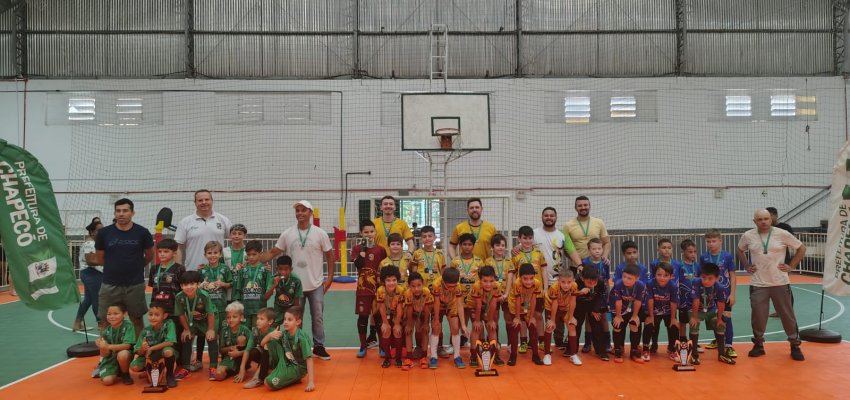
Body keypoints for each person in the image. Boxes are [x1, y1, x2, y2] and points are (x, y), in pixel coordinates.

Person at [261, 200, 335, 361]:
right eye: (298, 210)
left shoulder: (320, 233)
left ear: (310, 213)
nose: (300, 213)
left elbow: (330, 256)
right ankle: (297, 346)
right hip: (293, 287)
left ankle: (319, 346)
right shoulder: (287, 234)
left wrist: (329, 279)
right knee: (294, 318)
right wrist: (254, 258)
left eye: (303, 210)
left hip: (315, 284)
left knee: (317, 317)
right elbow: (273, 252)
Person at [737, 208, 806, 361]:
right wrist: (747, 265)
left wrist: (792, 266)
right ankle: (759, 345)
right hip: (758, 283)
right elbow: (740, 249)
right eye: (760, 219)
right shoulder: (748, 235)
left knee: (787, 316)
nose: (764, 222)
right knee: (758, 317)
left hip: (780, 282)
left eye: (766, 218)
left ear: (771, 219)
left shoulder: (782, 234)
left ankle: (795, 345)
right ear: (754, 221)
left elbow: (801, 248)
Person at [96, 198, 154, 337]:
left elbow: (149, 255)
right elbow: (100, 258)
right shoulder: (104, 233)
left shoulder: (142, 232)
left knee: (137, 319)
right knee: (105, 320)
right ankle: (107, 354)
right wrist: (114, 267)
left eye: (125, 210)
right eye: (118, 211)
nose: (121, 214)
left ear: (132, 213)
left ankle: (138, 352)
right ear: (115, 213)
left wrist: (137, 267)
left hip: (135, 285)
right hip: (110, 284)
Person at [688, 263, 735, 365]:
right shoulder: (696, 282)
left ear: (717, 278)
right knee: (694, 324)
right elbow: (695, 300)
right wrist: (695, 317)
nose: (706, 281)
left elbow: (721, 303)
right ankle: (694, 354)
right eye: (704, 278)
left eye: (710, 278)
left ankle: (721, 354)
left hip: (711, 310)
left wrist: (719, 319)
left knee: (720, 325)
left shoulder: (720, 287)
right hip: (696, 310)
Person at [174, 271, 218, 380]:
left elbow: (211, 313)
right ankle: (185, 368)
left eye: (192, 284)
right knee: (186, 338)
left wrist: (211, 329)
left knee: (211, 338)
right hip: (193, 320)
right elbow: (180, 314)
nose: (188, 287)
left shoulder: (204, 295)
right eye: (185, 285)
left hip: (208, 319)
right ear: (181, 286)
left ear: (198, 284)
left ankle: (213, 367)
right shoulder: (179, 297)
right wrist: (186, 329)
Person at [701, 229, 738, 358]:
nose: (711, 244)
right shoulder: (704, 257)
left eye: (714, 241)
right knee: (714, 318)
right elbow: (702, 276)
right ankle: (718, 340)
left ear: (720, 241)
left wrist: (732, 294)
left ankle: (728, 345)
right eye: (708, 241)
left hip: (725, 293)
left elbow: (732, 275)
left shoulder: (726, 256)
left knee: (726, 318)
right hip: (711, 295)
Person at [351, 220, 386, 358]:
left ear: (375, 232)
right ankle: (363, 346)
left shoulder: (381, 250)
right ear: (361, 233)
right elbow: (358, 264)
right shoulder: (357, 249)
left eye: (371, 231)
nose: (369, 234)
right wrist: (364, 250)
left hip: (377, 290)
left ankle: (382, 346)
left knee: (378, 318)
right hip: (363, 290)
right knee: (363, 317)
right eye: (366, 232)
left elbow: (384, 268)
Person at [510, 226, 547, 354]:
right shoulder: (516, 255)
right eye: (524, 238)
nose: (527, 241)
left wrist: (545, 288)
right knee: (523, 316)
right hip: (523, 293)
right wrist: (516, 287)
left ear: (533, 239)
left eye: (530, 238)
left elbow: (543, 270)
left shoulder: (538, 253)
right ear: (519, 238)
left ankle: (541, 340)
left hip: (537, 291)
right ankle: (524, 341)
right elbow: (514, 273)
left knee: (537, 315)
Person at [175, 190, 232, 271]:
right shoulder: (185, 222)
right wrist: (178, 269)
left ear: (212, 201)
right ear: (195, 202)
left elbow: (235, 241)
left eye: (207, 199)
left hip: (219, 273)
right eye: (200, 200)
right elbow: (178, 247)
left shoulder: (223, 220)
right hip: (193, 272)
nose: (204, 202)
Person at [264, 306, 317, 392]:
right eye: (285, 319)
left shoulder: (301, 338)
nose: (285, 322)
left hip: (298, 368)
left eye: (289, 320)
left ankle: (293, 377)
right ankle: (277, 370)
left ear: (298, 322)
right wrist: (270, 335)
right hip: (287, 361)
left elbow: (309, 358)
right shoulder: (285, 333)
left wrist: (311, 382)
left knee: (268, 383)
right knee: (271, 342)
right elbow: (263, 343)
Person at [128, 302, 178, 388]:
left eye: (157, 315)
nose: (153, 317)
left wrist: (151, 348)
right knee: (134, 367)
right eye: (150, 314)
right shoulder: (145, 331)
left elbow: (170, 342)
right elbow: (138, 352)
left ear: (164, 316)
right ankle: (151, 370)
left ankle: (169, 375)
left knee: (168, 352)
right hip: (150, 356)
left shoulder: (169, 323)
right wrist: (143, 349)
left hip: (163, 353)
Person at [428, 267, 468, 369]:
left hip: (451, 305)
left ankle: (457, 356)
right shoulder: (436, 284)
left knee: (455, 327)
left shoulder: (457, 286)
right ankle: (433, 357)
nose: (452, 289)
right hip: (439, 306)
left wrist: (463, 325)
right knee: (436, 328)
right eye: (449, 286)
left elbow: (459, 305)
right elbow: (436, 303)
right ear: (443, 282)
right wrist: (436, 319)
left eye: (454, 286)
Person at [531, 207, 582, 286]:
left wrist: (579, 264)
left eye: (552, 216)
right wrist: (516, 248)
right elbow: (523, 246)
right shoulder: (534, 233)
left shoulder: (562, 235)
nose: (549, 217)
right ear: (541, 217)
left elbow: (571, 251)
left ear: (556, 217)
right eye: (546, 215)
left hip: (556, 279)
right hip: (537, 277)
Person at [642, 262, 680, 362]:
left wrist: (673, 319)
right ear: (655, 274)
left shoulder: (673, 286)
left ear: (671, 276)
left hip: (668, 311)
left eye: (666, 275)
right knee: (650, 325)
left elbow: (673, 302)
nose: (662, 278)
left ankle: (672, 349)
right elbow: (650, 300)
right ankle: (646, 349)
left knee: (674, 326)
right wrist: (651, 316)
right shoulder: (650, 283)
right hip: (654, 310)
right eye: (659, 275)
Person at [507, 263, 544, 366]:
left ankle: (535, 355)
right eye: (525, 279)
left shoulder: (537, 283)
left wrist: (531, 317)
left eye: (531, 278)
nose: (529, 281)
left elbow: (533, 300)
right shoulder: (517, 283)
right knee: (516, 327)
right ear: (520, 277)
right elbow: (518, 301)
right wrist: (517, 317)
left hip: (527, 303)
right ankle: (513, 355)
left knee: (532, 326)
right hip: (515, 305)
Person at [609, 264, 646, 364]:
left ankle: (634, 351)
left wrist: (635, 316)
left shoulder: (641, 285)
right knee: (618, 325)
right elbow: (618, 301)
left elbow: (638, 301)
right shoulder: (618, 284)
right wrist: (618, 316)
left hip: (632, 308)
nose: (626, 280)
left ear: (637, 278)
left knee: (634, 324)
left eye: (629, 278)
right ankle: (618, 350)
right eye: (624, 276)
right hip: (617, 308)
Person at [580, 238, 611, 354]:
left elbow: (607, 280)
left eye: (599, 248)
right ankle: (588, 343)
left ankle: (607, 343)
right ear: (589, 250)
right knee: (589, 318)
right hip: (589, 295)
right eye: (594, 249)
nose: (597, 251)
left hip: (602, 294)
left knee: (603, 318)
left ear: (602, 249)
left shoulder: (605, 263)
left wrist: (608, 296)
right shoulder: (584, 263)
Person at [452, 233, 483, 348]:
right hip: (459, 297)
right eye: (464, 244)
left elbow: (482, 280)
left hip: (474, 298)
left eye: (470, 244)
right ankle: (460, 341)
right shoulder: (455, 261)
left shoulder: (479, 262)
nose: (467, 247)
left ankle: (480, 343)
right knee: (460, 321)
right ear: (460, 245)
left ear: (473, 246)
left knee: (476, 320)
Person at [467, 265, 502, 368]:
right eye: (485, 281)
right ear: (480, 280)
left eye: (491, 281)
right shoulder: (477, 286)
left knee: (492, 327)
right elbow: (478, 305)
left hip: (487, 305)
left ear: (495, 279)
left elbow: (494, 304)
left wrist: (490, 320)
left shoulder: (497, 286)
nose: (488, 284)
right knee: (477, 328)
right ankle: (473, 356)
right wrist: (477, 321)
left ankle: (494, 354)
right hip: (474, 306)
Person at [563, 196, 611, 265]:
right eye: (580, 206)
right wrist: (575, 260)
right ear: (575, 208)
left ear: (590, 206)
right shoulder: (568, 225)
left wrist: (604, 257)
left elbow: (607, 243)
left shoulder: (599, 222)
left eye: (585, 205)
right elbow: (566, 248)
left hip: (596, 265)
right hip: (577, 266)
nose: (583, 207)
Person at [544, 270, 579, 366]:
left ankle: (573, 354)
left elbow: (573, 302)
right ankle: (547, 354)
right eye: (563, 282)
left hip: (565, 308)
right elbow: (554, 304)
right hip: (551, 307)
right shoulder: (554, 287)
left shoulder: (574, 286)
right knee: (549, 327)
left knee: (571, 326)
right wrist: (552, 320)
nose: (566, 285)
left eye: (569, 282)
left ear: (573, 280)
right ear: (559, 281)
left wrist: (571, 317)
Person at [75, 218, 104, 331]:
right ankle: (101, 325)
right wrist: (108, 260)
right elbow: (90, 261)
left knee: (88, 299)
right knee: (97, 300)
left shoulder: (94, 243)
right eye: (99, 230)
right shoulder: (90, 243)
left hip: (90, 274)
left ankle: (77, 323)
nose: (102, 232)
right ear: (92, 232)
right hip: (92, 274)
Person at [573, 266, 608, 361]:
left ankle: (601, 351)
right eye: (589, 282)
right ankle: (572, 350)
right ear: (582, 278)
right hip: (579, 304)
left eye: (594, 282)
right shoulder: (576, 281)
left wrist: (595, 310)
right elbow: (570, 296)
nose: (592, 285)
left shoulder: (600, 282)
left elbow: (601, 296)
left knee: (597, 325)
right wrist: (579, 292)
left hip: (593, 305)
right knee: (576, 325)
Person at [198, 241, 232, 338]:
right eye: (209, 253)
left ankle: (221, 352)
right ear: (205, 255)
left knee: (221, 334)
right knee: (208, 334)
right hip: (207, 308)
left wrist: (223, 284)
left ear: (220, 254)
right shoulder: (202, 270)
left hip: (221, 307)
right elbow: (197, 287)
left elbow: (231, 283)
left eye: (215, 253)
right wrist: (201, 285)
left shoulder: (225, 269)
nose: (212, 255)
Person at [95, 303, 135, 386]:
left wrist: (108, 346)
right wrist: (101, 346)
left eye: (116, 314)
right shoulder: (106, 330)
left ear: (124, 314)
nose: (112, 316)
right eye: (109, 314)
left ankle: (125, 374)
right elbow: (104, 355)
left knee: (123, 354)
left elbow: (127, 345)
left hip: (124, 356)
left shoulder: (128, 325)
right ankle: (115, 370)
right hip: (110, 359)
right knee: (107, 381)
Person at [235, 240, 272, 328]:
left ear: (260, 254)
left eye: (254, 254)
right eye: (249, 254)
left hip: (259, 308)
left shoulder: (265, 270)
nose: (251, 257)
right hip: (245, 309)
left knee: (258, 333)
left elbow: (269, 289)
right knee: (245, 334)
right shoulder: (243, 270)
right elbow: (238, 289)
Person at [240, 308, 279, 389]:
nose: (258, 321)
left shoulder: (273, 333)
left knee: (266, 347)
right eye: (258, 318)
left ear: (270, 322)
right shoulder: (255, 331)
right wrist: (242, 368)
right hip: (265, 357)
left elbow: (271, 355)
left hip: (275, 359)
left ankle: (257, 378)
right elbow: (247, 350)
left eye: (261, 319)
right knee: (253, 352)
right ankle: (266, 371)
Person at [376, 266, 406, 368]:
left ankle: (398, 358)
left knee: (397, 332)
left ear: (397, 280)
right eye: (388, 280)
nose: (391, 283)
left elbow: (400, 309)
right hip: (386, 315)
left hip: (398, 315)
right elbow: (381, 307)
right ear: (383, 281)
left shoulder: (401, 290)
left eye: (394, 280)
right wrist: (385, 323)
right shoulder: (380, 290)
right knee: (385, 331)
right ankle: (387, 358)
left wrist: (397, 324)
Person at [212, 301, 250, 381]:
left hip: (242, 358)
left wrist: (239, 353)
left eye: (234, 317)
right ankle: (231, 370)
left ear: (241, 317)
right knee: (218, 375)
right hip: (228, 358)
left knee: (241, 339)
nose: (231, 320)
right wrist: (231, 348)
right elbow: (221, 350)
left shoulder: (245, 330)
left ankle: (242, 368)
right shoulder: (224, 330)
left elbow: (252, 348)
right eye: (228, 317)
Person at [403, 271, 433, 369]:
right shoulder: (408, 293)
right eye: (413, 286)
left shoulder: (427, 292)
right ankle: (409, 357)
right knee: (408, 331)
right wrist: (408, 324)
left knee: (424, 331)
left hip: (424, 312)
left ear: (422, 284)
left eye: (419, 285)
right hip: (411, 313)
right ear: (409, 286)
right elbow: (409, 309)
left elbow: (428, 309)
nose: (416, 289)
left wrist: (426, 323)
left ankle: (424, 356)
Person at [267, 256, 303, 327]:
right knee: (273, 326)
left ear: (291, 269)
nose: (283, 272)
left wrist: (294, 315)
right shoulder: (274, 278)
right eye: (280, 269)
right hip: (278, 308)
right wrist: (274, 285)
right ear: (276, 269)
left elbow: (296, 301)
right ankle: (275, 337)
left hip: (291, 308)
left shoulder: (296, 280)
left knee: (294, 325)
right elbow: (266, 297)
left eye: (286, 269)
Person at [410, 225, 446, 292]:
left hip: (437, 287)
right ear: (421, 238)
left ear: (435, 237)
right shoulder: (417, 253)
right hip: (421, 287)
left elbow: (442, 272)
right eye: (424, 237)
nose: (427, 238)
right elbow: (414, 272)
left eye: (430, 236)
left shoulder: (440, 253)